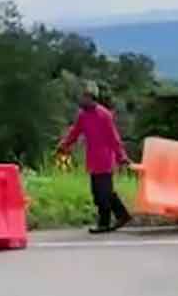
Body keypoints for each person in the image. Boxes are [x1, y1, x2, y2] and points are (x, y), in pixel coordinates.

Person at [57, 83, 135, 234]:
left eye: (85, 97)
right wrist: (65, 145)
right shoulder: (82, 115)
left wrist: (122, 156)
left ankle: (104, 223)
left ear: (92, 98)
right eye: (82, 97)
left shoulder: (104, 115)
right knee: (99, 193)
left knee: (103, 194)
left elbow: (114, 138)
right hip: (93, 160)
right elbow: (75, 132)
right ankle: (123, 216)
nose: (82, 100)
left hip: (105, 160)